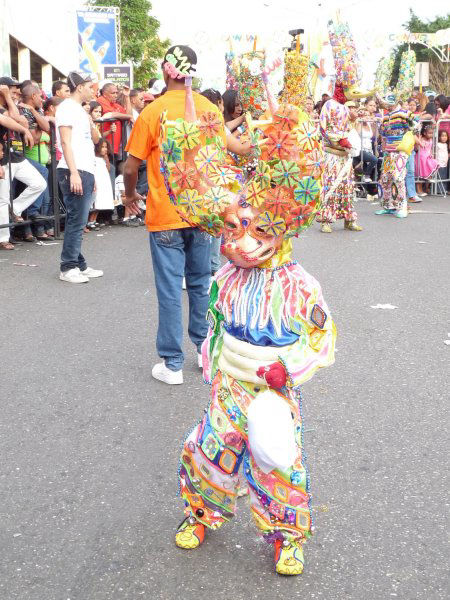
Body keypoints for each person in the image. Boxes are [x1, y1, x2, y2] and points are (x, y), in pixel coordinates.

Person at [123, 45, 224, 385]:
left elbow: (131, 165)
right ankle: (204, 352)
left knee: (170, 289)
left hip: (166, 213)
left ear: (166, 70)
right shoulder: (211, 109)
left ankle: (172, 364)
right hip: (205, 213)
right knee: (200, 284)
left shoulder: (153, 112)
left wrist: (129, 195)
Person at [55, 70, 102, 283]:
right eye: (90, 86)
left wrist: (90, 118)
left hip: (85, 169)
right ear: (80, 87)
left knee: (79, 218)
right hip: (72, 169)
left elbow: (94, 139)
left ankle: (79, 264)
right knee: (77, 219)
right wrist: (74, 173)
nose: (93, 90)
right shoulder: (66, 108)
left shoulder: (80, 111)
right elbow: (65, 142)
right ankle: (68, 267)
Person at [0, 110, 45, 250]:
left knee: (39, 184)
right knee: (3, 199)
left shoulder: (11, 104)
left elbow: (21, 120)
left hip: (17, 156)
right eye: (12, 90)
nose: (15, 93)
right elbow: (3, 119)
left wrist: (24, 129)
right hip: (3, 158)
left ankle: (14, 209)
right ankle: (3, 238)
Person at [96, 82, 132, 158]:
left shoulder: (115, 105)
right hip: (104, 147)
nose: (116, 95)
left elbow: (129, 115)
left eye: (117, 93)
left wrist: (127, 97)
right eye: (113, 93)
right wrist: (128, 116)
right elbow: (111, 114)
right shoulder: (101, 100)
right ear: (105, 94)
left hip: (115, 148)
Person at [87, 137, 115, 229]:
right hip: (97, 181)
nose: (105, 149)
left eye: (106, 147)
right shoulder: (93, 158)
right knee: (96, 202)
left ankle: (94, 220)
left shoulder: (103, 158)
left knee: (100, 203)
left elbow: (108, 169)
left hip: (103, 182)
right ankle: (90, 221)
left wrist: (106, 159)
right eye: (103, 147)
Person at [415, 123, 439, 196]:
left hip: (427, 157)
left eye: (432, 133)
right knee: (420, 175)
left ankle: (427, 187)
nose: (431, 135)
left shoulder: (431, 139)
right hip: (421, 158)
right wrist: (418, 141)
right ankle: (419, 190)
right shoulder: (421, 139)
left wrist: (431, 153)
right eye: (429, 133)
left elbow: (430, 148)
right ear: (424, 133)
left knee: (434, 165)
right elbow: (417, 148)